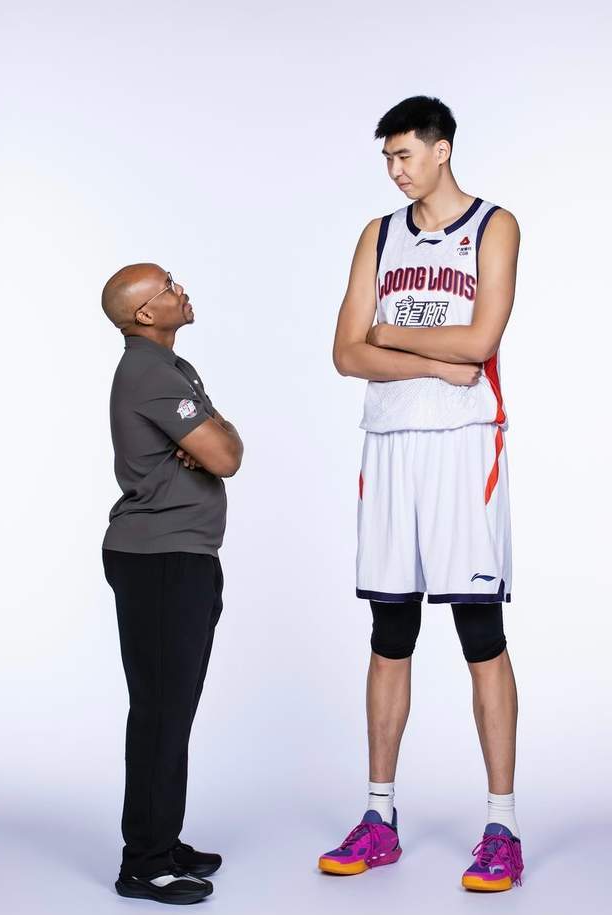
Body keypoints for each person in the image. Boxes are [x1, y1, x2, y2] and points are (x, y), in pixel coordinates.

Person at [318, 96, 523, 892]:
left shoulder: (494, 226)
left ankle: (502, 825)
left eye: (404, 155)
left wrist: (391, 333)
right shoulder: (377, 235)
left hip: (464, 443)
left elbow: (482, 339)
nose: (395, 170)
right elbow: (345, 352)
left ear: (442, 150)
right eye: (388, 159)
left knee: (480, 630)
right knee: (390, 630)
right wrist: (436, 361)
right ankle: (379, 817)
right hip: (390, 442)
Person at [100, 263, 243, 905]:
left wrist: (212, 433)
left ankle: (163, 837)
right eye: (167, 287)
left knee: (172, 709)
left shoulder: (170, 368)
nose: (180, 289)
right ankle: (145, 863)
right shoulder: (150, 373)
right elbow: (227, 456)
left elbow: (221, 445)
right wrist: (211, 437)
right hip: (159, 559)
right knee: (161, 711)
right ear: (144, 314)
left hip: (180, 556)